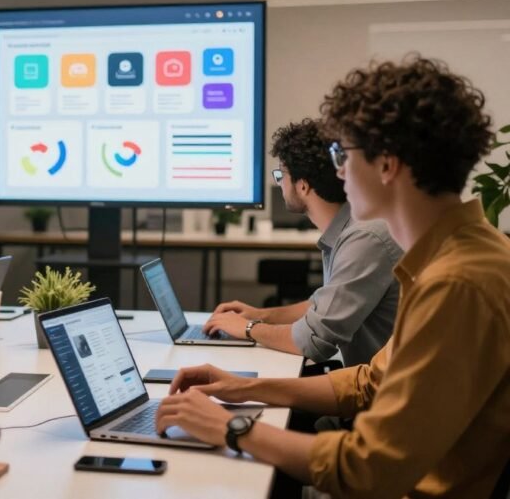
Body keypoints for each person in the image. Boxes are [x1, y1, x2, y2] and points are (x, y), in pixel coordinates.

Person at [156, 57, 510, 498]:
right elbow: (369, 381)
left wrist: (233, 427)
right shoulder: (457, 256)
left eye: (343, 155)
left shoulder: (457, 283)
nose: (338, 172)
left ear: (387, 165)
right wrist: (242, 387)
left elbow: (370, 469)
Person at [204, 118, 402, 367]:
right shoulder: (350, 229)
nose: (279, 183)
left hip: (383, 396)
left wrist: (248, 328)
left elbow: (313, 341)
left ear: (303, 185)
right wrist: (261, 315)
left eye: (281, 175)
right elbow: (320, 306)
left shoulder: (365, 238)